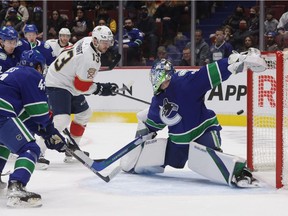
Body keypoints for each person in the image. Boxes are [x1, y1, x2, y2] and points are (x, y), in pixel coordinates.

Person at [120, 48, 267, 188]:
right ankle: (134, 162)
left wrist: (234, 62)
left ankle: (240, 172)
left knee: (206, 159)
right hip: (179, 141)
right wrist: (142, 135)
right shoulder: (158, 100)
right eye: (160, 80)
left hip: (203, 132)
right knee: (155, 155)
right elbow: (152, 125)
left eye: (165, 79)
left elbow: (208, 74)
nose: (163, 84)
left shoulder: (185, 83)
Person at [0, 49, 67, 207]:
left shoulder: (13, 73)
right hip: (2, 113)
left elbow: (26, 118)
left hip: (3, 112)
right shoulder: (32, 75)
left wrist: (47, 133)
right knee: (30, 148)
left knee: (3, 144)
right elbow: (39, 113)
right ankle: (17, 187)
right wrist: (50, 132)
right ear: (38, 67)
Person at [45, 25, 118, 163]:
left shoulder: (86, 40)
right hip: (58, 82)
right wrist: (102, 89)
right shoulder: (90, 59)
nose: (107, 45)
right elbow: (82, 87)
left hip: (66, 79)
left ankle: (72, 148)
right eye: (104, 42)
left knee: (84, 114)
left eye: (108, 42)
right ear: (95, 41)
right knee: (61, 120)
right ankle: (36, 151)